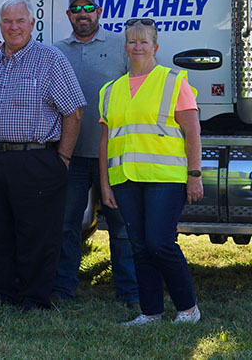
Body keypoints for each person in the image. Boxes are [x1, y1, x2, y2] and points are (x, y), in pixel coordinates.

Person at [0, 0, 85, 310]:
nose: (13, 27)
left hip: (35, 159)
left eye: (20, 21)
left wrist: (62, 158)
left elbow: (74, 112)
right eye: (7, 21)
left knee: (36, 232)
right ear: (0, 25)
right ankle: (3, 293)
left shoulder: (51, 59)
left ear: (32, 24)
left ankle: (34, 297)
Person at [99, 18, 203, 326]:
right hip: (126, 179)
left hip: (165, 179)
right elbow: (106, 141)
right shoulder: (110, 90)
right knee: (140, 247)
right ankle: (151, 312)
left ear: (155, 47)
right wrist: (105, 184)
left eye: (144, 41)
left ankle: (188, 308)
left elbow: (192, 131)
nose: (137, 46)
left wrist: (194, 174)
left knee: (159, 243)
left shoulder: (173, 81)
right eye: (132, 41)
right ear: (125, 47)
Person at [52, 0, 138, 307]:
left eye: (88, 7)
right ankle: (63, 288)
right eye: (76, 9)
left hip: (113, 156)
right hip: (71, 154)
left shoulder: (120, 46)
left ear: (99, 12)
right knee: (66, 224)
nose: (83, 13)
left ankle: (129, 292)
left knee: (120, 225)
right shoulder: (56, 51)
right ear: (69, 15)